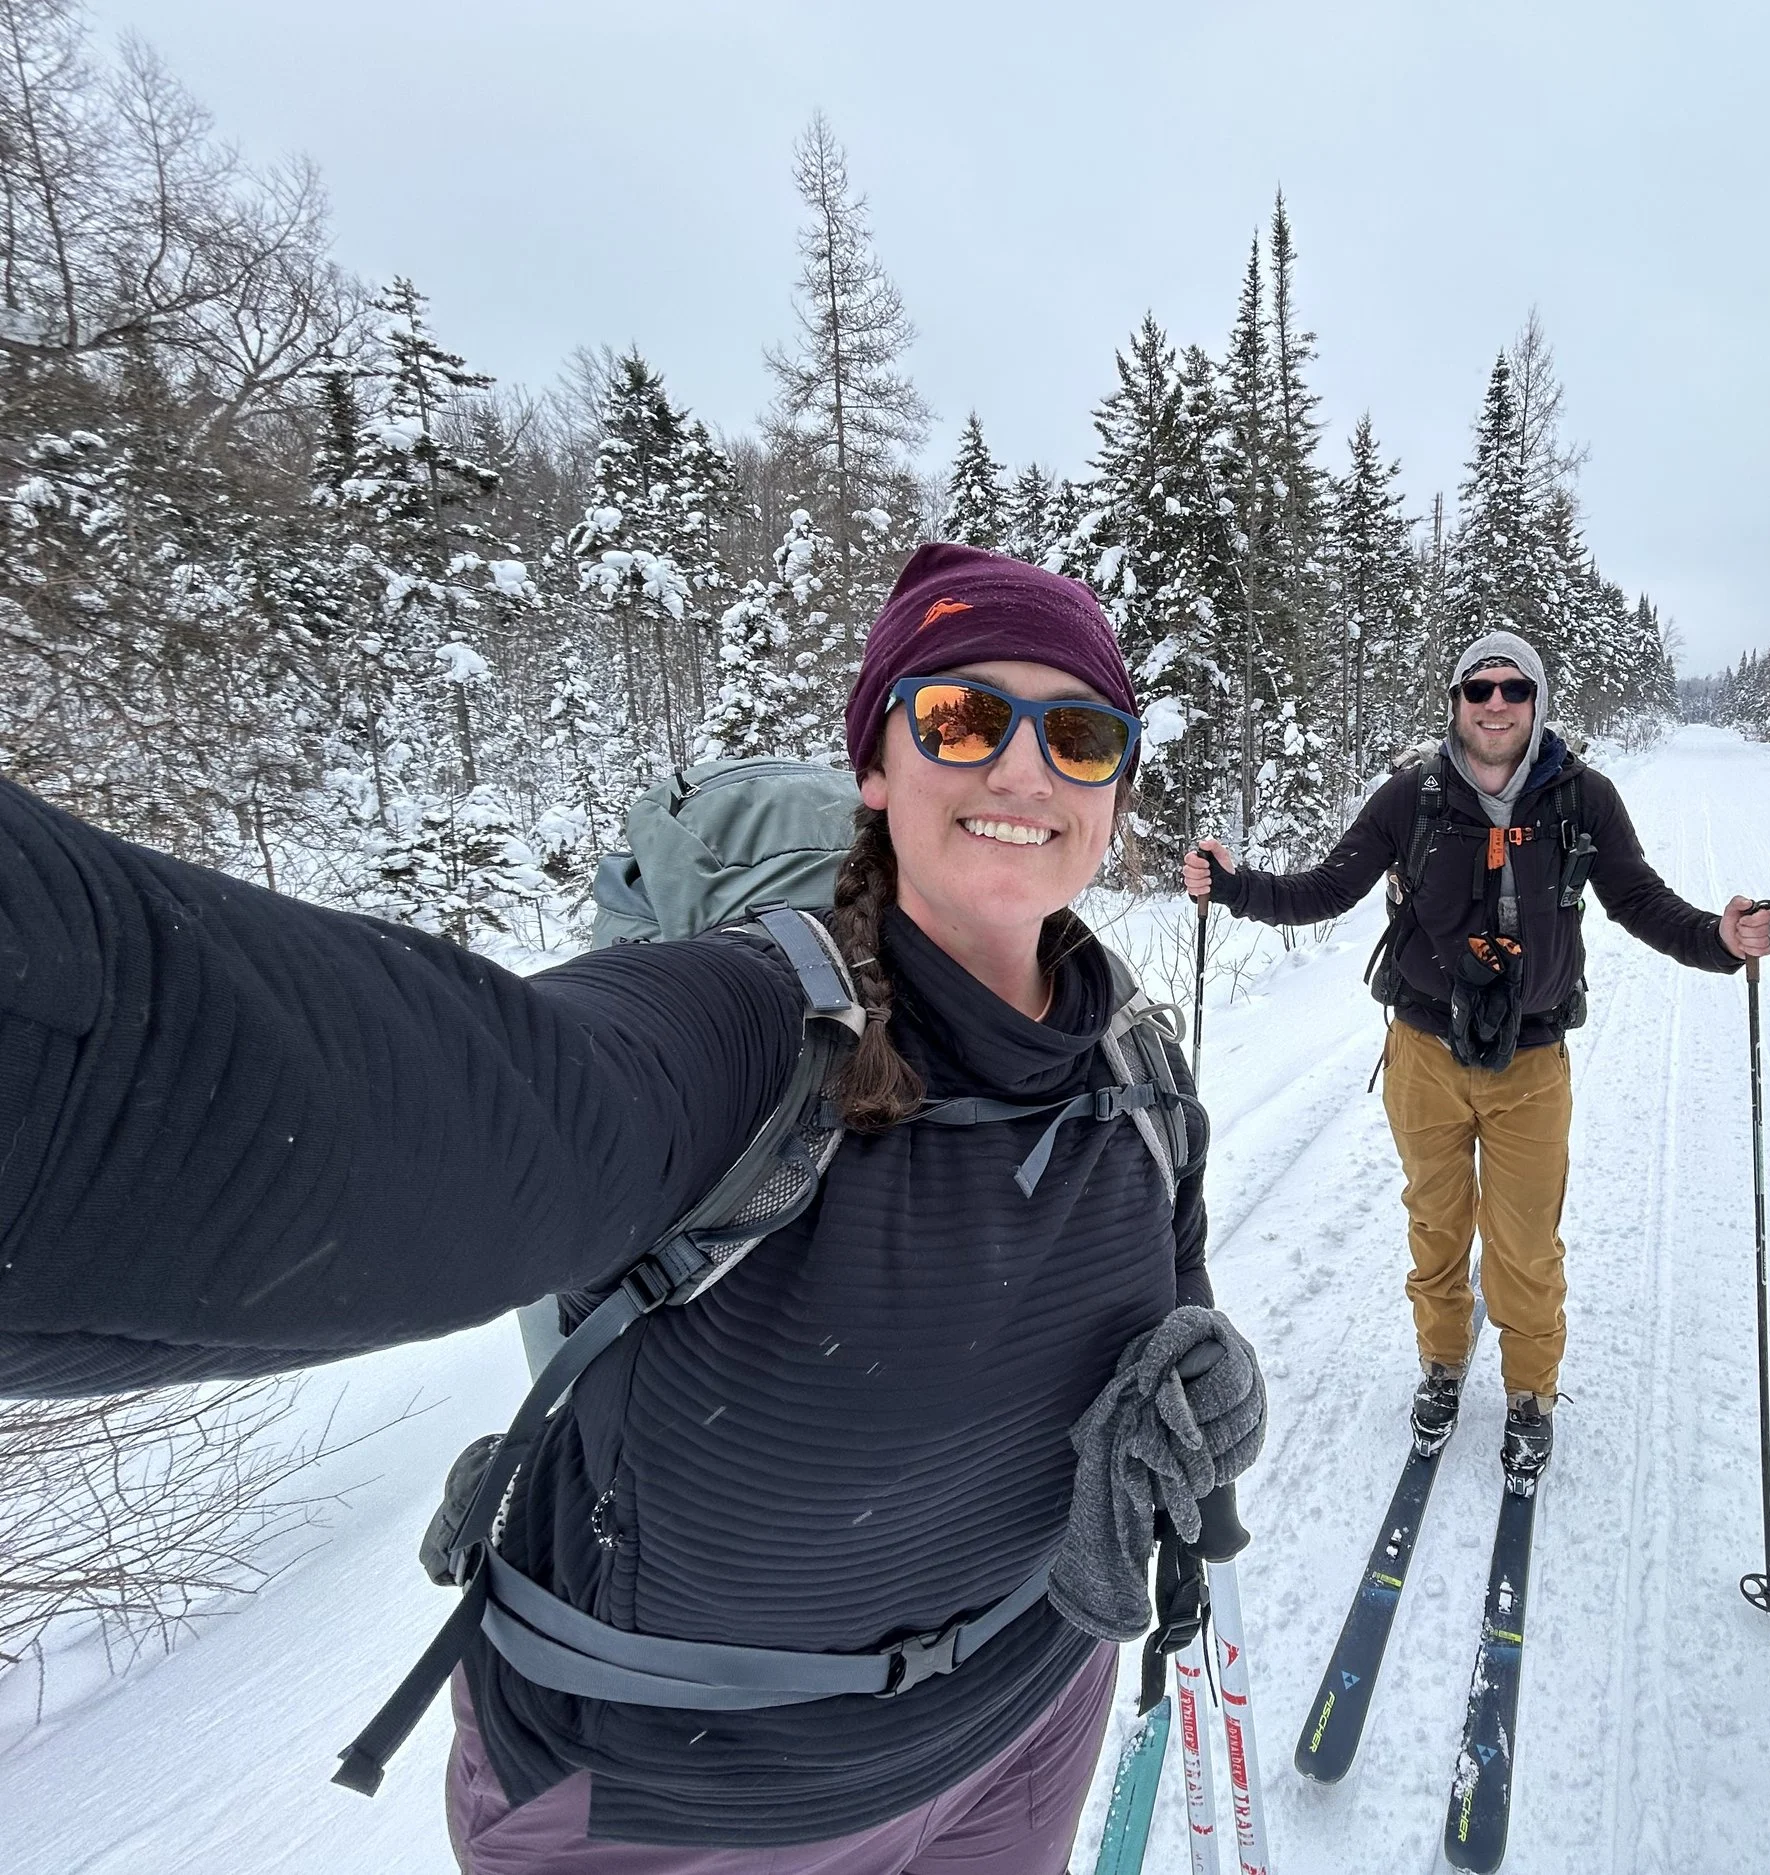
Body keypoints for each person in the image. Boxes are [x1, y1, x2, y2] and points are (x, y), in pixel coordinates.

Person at [0, 543, 1261, 1875]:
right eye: (962, 716)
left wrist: (1196, 1388)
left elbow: (1164, 1321)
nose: (1022, 767)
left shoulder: (1136, 1066)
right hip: (680, 1810)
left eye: (1076, 731)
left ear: (1114, 786)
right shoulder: (746, 1027)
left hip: (1022, 1728)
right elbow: (441, 1112)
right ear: (877, 767)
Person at [1184, 628, 1770, 1486]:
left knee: (1524, 1243)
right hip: (1423, 1051)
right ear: (1455, 700)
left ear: (1537, 701)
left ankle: (1531, 1394)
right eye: (1478, 688)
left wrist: (1720, 939)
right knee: (1435, 1222)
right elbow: (1324, 888)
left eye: (1513, 689)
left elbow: (1639, 899)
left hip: (1532, 1063)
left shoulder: (1583, 799)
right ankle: (1443, 1364)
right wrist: (1235, 885)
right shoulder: (1411, 797)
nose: (1495, 704)